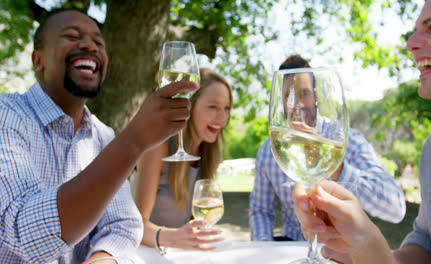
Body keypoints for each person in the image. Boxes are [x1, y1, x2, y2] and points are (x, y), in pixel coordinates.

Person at [0, 9, 198, 264]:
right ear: (38, 60)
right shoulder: (7, 115)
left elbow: (122, 224)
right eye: (72, 36)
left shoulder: (103, 135)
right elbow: (22, 231)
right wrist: (133, 141)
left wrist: (103, 258)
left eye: (98, 42)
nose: (89, 46)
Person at [293, 0, 431, 262]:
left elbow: (395, 208)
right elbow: (427, 245)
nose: (410, 43)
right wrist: (368, 254)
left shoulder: (348, 139)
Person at [249, 54, 406, 242]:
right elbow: (260, 211)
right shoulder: (271, 149)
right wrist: (265, 249)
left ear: (315, 96)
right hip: (291, 248)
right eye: (288, 96)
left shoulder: (347, 141)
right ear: (280, 102)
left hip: (343, 250)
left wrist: (334, 166)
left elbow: (395, 208)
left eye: (304, 94)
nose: (297, 105)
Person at [134, 68, 232, 252]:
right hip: (149, 254)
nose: (222, 117)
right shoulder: (159, 146)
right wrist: (174, 237)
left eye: (226, 108)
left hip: (181, 255)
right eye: (213, 107)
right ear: (189, 106)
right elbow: (136, 225)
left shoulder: (207, 150)